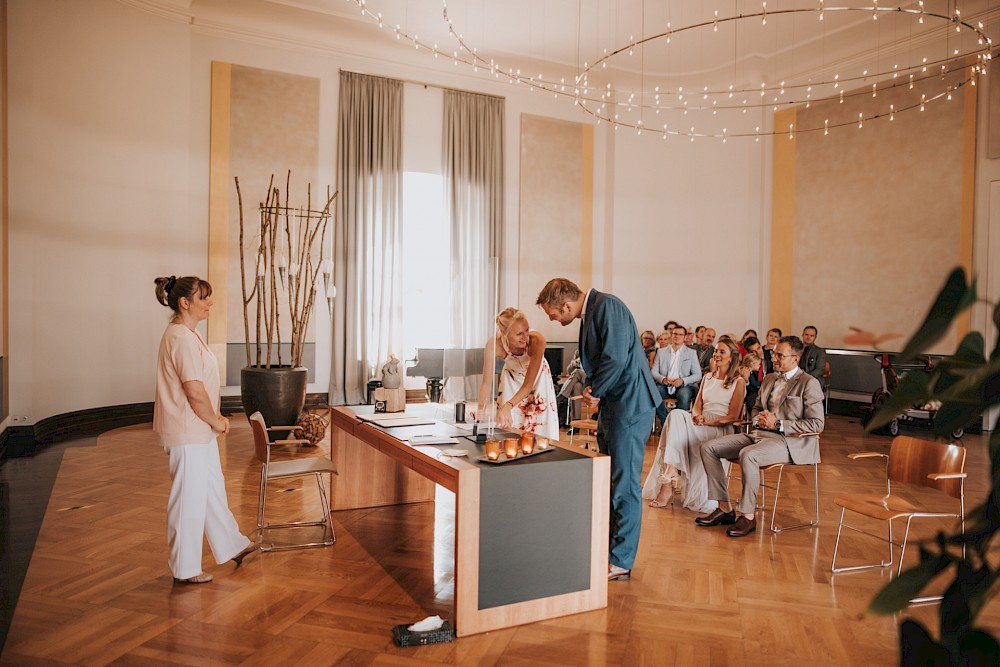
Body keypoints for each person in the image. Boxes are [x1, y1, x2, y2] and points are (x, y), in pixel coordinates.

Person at [537, 278, 658, 582]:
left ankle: (621, 559)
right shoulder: (593, 309)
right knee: (609, 480)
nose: (552, 319)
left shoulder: (607, 306)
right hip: (615, 407)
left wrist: (595, 391)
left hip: (629, 405)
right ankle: (608, 549)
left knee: (625, 483)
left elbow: (615, 358)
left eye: (553, 313)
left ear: (566, 304)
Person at [152, 275, 258, 584]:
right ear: (185, 303)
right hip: (188, 431)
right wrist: (217, 420)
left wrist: (211, 422)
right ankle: (185, 570)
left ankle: (232, 545)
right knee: (189, 499)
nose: (209, 303)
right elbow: (194, 390)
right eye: (204, 298)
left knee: (211, 491)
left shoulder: (188, 334)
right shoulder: (181, 337)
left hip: (198, 431)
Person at [696, 335, 825, 538]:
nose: (773, 359)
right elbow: (755, 408)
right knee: (708, 447)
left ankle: (747, 516)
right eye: (773, 354)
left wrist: (779, 424)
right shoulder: (770, 378)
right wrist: (759, 419)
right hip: (758, 434)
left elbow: (817, 424)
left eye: (779, 355)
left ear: (795, 359)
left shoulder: (809, 383)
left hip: (790, 441)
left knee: (749, 455)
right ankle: (724, 508)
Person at [642, 337, 745, 513]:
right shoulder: (708, 377)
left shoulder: (738, 381)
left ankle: (668, 481)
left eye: (722, 352)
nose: (717, 354)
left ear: (731, 357)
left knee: (674, 421)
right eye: (716, 351)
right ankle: (672, 468)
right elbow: (697, 406)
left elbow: (733, 416)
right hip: (702, 422)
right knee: (675, 415)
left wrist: (709, 421)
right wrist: (697, 416)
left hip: (720, 428)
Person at [476, 307, 560, 440]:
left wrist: (508, 405)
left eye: (527, 330)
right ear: (504, 333)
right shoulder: (494, 345)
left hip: (537, 379)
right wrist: (481, 409)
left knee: (539, 425)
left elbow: (528, 385)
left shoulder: (537, 341)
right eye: (519, 334)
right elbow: (486, 383)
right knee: (508, 426)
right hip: (512, 379)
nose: (525, 337)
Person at [650, 324, 702, 423]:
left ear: (685, 337)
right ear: (671, 335)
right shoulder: (661, 352)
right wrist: (662, 379)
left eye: (680, 334)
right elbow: (654, 371)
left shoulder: (691, 353)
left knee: (683, 394)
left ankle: (680, 424)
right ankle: (665, 422)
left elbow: (698, 374)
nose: (677, 336)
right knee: (655, 392)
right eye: (675, 334)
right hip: (665, 384)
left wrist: (682, 380)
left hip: (684, 385)